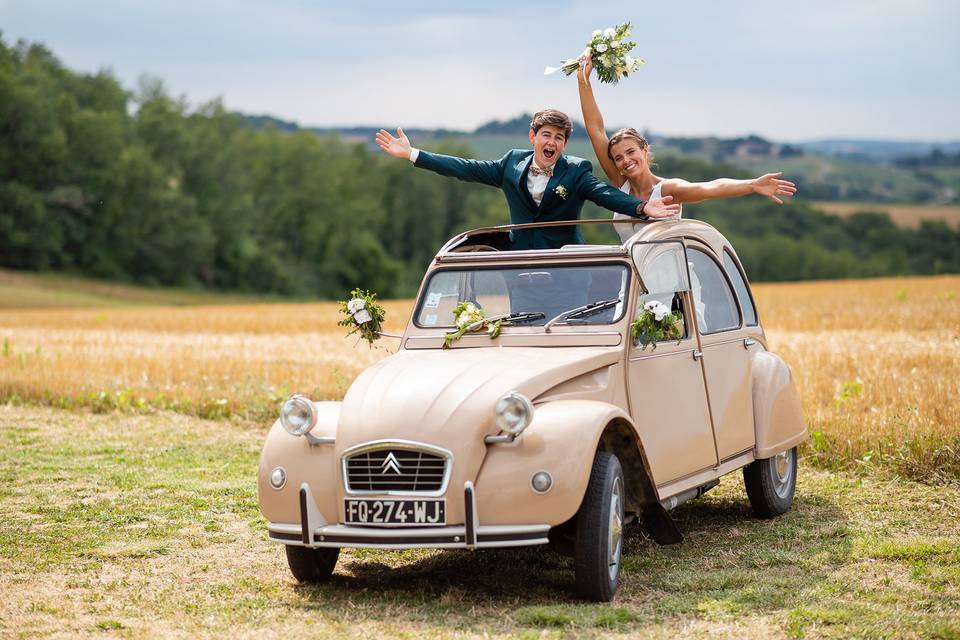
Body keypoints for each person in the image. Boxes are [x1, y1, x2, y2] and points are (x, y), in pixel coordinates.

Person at [375, 109, 680, 250]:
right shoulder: (509, 164)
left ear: (564, 144)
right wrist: (413, 154)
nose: (553, 143)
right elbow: (463, 167)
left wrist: (641, 209)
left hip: (567, 267)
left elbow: (605, 194)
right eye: (547, 135)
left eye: (559, 138)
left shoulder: (576, 170)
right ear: (533, 136)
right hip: (519, 265)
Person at [577, 57, 798, 242]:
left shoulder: (668, 190)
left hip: (670, 283)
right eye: (618, 158)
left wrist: (751, 185)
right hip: (632, 282)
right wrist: (583, 80)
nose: (625, 160)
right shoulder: (620, 185)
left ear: (644, 150)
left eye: (630, 152)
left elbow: (710, 188)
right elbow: (596, 130)